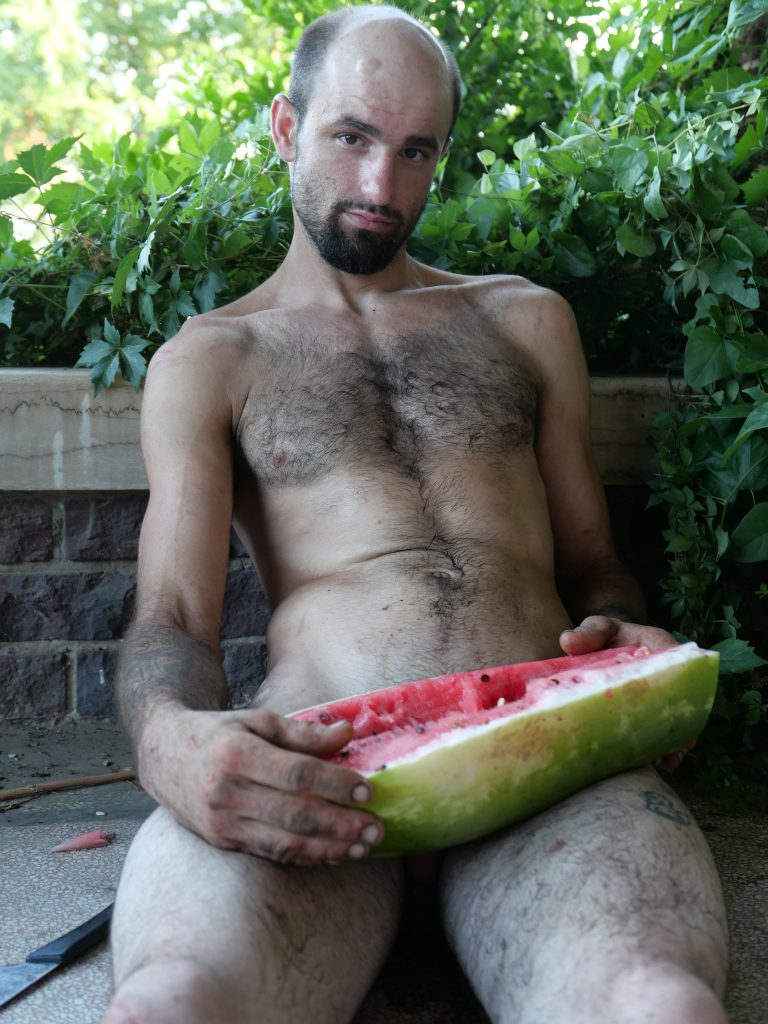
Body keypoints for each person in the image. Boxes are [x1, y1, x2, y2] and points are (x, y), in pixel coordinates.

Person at [102, 6, 729, 1023]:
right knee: (167, 1008)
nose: (378, 189)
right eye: (350, 137)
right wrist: (167, 739)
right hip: (319, 772)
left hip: (551, 769)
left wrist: (629, 642)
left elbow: (594, 565)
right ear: (284, 126)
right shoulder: (211, 360)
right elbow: (171, 615)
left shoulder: (524, 321)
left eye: (415, 150)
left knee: (662, 1009)